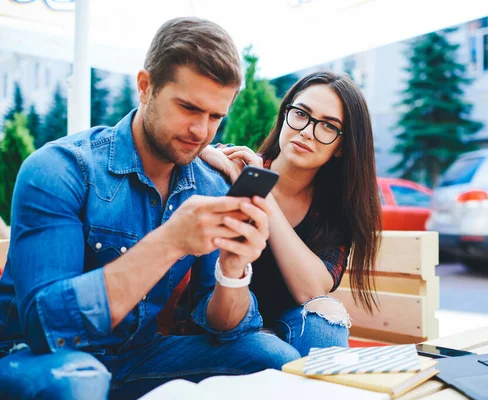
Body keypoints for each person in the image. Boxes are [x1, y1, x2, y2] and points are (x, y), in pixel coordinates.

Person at [0, 17, 300, 400]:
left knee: (273, 358)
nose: (201, 131)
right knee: (79, 379)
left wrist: (232, 270)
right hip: (32, 359)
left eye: (216, 116)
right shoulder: (60, 169)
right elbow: (46, 327)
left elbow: (224, 328)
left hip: (136, 358)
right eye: (189, 108)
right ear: (145, 86)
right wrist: (171, 242)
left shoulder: (208, 183)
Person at [201, 71, 382, 356]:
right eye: (301, 113)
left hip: (292, 329)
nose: (307, 131)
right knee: (271, 351)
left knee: (325, 324)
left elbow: (311, 292)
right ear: (285, 114)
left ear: (341, 146)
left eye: (328, 126)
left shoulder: (336, 209)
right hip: (227, 328)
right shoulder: (231, 168)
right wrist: (205, 154)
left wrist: (264, 193)